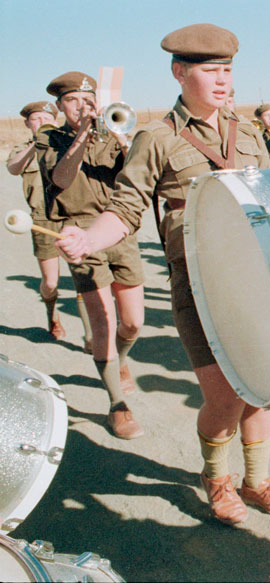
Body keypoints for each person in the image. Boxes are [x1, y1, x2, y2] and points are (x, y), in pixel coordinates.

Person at [56, 23, 270, 526]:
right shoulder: (157, 137)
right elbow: (124, 210)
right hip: (200, 287)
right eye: (211, 71)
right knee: (224, 396)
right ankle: (218, 479)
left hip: (260, 283)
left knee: (266, 387)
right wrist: (88, 238)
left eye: (228, 70)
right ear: (179, 72)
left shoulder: (251, 134)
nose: (223, 81)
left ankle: (257, 482)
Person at [35, 72, 146, 440]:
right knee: (102, 322)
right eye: (72, 101)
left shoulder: (108, 134)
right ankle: (117, 404)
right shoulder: (49, 138)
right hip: (77, 231)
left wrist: (122, 139)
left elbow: (135, 174)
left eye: (87, 100)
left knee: (133, 322)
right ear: (59, 106)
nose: (82, 107)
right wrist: (82, 135)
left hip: (116, 226)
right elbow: (62, 179)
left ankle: (121, 361)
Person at [6, 100, 92, 348]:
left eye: (46, 118)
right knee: (51, 282)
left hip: (71, 217)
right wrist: (37, 143)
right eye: (36, 119)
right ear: (27, 124)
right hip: (42, 220)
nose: (41, 122)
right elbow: (13, 168)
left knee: (82, 279)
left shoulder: (65, 145)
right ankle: (52, 315)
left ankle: (90, 334)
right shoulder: (24, 149)